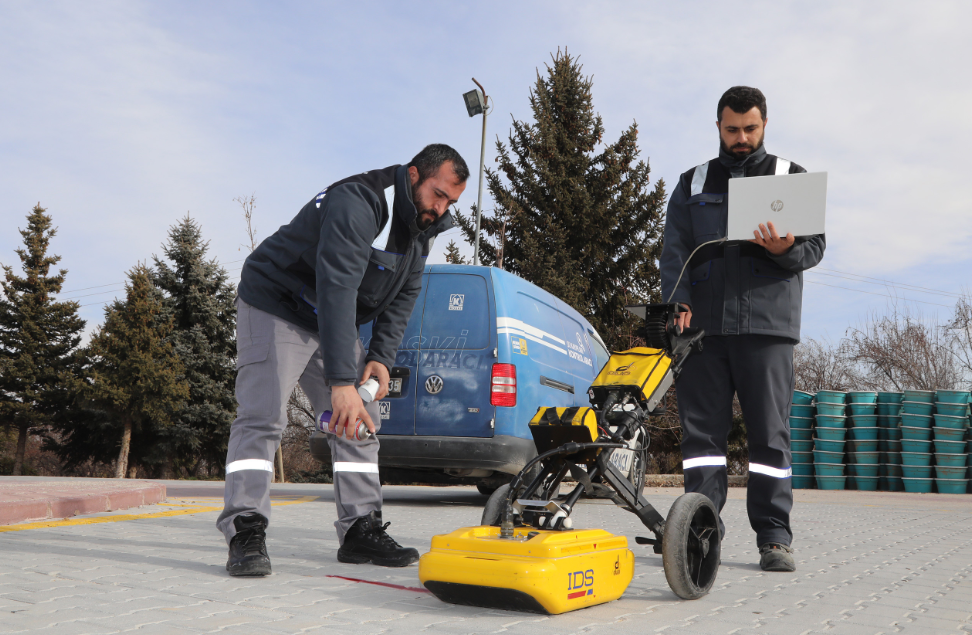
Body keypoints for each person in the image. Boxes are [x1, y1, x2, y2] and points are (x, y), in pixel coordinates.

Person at [217, 144, 469, 576]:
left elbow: (403, 296)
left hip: (328, 317)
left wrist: (380, 359)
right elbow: (336, 287)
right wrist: (340, 383)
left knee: (361, 418)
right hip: (277, 303)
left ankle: (360, 531)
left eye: (451, 202)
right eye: (438, 194)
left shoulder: (420, 227)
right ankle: (246, 528)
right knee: (263, 416)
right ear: (413, 176)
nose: (441, 208)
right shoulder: (359, 202)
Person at [659, 86, 825, 572]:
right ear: (718, 127)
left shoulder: (788, 177)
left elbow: (813, 249)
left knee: (769, 439)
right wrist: (678, 301)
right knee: (700, 442)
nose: (741, 138)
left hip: (766, 329)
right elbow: (673, 251)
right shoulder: (692, 183)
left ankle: (774, 538)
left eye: (750, 128)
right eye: (732, 129)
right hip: (704, 332)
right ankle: (700, 530)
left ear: (764, 125)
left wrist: (785, 247)